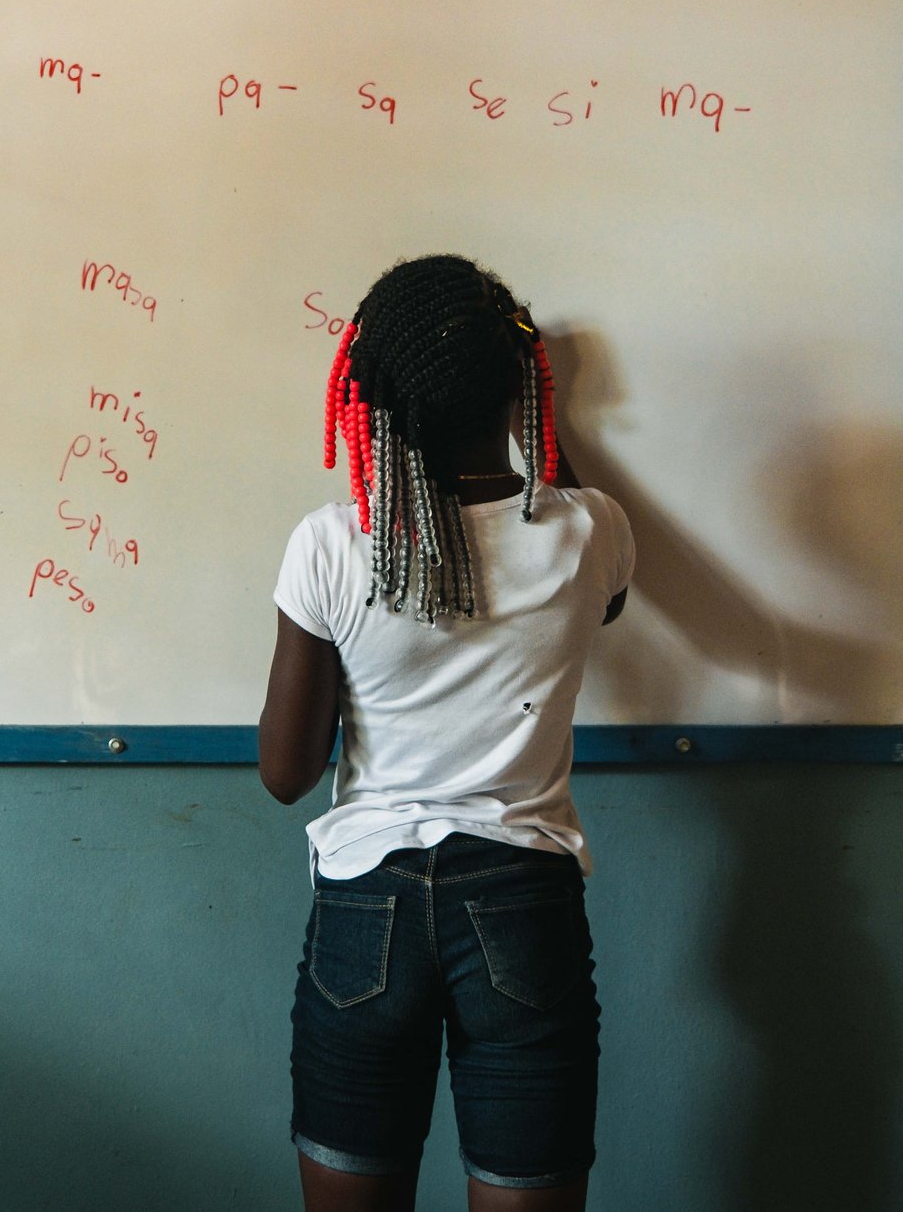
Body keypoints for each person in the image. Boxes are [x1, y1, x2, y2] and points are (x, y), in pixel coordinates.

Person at [259, 254, 634, 1212]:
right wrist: (536, 420)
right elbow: (610, 596)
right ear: (520, 387)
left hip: (366, 911)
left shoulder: (334, 545)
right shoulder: (589, 532)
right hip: (522, 897)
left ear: (371, 396)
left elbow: (285, 772)